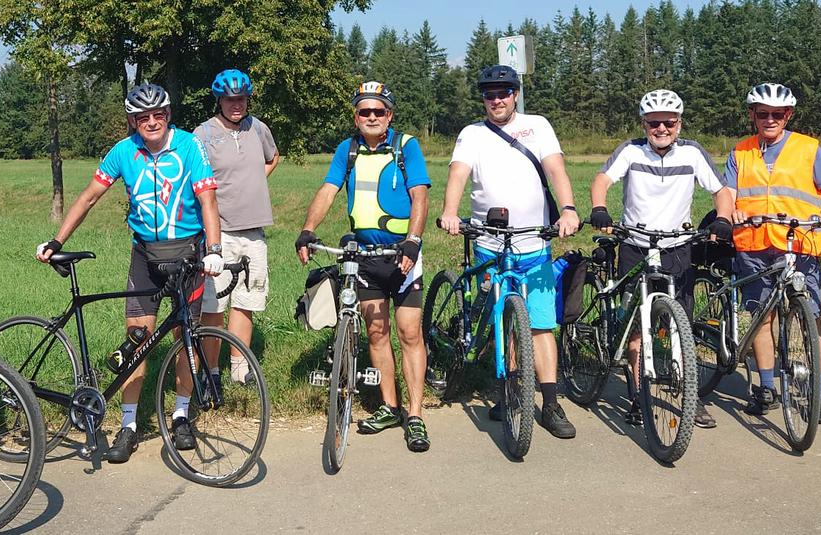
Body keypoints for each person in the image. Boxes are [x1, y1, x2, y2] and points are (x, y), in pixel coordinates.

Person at [34, 83, 223, 464]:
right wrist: (57, 240)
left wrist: (215, 250)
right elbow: (89, 196)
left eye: (158, 115)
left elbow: (207, 199)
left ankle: (181, 416)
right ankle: (129, 424)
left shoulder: (189, 146)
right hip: (145, 256)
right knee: (138, 340)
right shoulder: (124, 151)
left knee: (187, 339)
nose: (151, 122)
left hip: (188, 254)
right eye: (142, 117)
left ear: (168, 115)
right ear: (133, 121)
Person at [437, 65, 582, 439]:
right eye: (490, 94)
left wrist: (568, 209)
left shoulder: (538, 126)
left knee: (541, 324)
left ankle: (550, 404)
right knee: (503, 318)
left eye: (503, 92)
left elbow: (556, 170)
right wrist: (450, 212)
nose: (497, 100)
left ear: (515, 94)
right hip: (489, 242)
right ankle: (511, 389)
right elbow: (458, 174)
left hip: (534, 242)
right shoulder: (472, 134)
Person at [295, 81, 433, 452]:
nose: (371, 117)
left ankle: (415, 415)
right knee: (376, 332)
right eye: (364, 111)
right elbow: (328, 190)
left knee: (409, 333)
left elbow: (420, 195)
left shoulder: (406, 146)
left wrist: (413, 240)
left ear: (389, 115)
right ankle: (390, 406)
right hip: (365, 258)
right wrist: (308, 229)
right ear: (356, 116)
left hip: (402, 256)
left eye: (378, 111)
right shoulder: (348, 149)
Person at [589, 89, 736, 429]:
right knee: (637, 326)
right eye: (654, 123)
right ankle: (638, 395)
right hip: (636, 245)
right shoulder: (631, 150)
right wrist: (599, 207)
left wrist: (723, 218)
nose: (661, 129)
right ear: (644, 124)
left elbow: (720, 191)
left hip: (676, 247)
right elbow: (602, 179)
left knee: (680, 324)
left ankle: (688, 396)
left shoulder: (692, 153)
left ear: (679, 124)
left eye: (669, 123)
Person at [723, 82, 821, 422]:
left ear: (788, 115)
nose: (770, 119)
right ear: (752, 115)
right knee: (762, 317)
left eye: (778, 114)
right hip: (754, 244)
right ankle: (766, 387)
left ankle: (816, 392)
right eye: (763, 114)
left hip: (800, 244)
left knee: (811, 317)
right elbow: (728, 192)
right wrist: (729, 214)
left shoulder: (808, 148)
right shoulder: (740, 152)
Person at [194, 68, 280, 386]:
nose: (236, 105)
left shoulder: (258, 128)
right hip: (220, 232)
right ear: (219, 100)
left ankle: (239, 369)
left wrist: (254, 181)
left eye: (241, 99)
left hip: (254, 231)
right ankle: (211, 372)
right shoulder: (203, 134)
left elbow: (273, 158)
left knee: (246, 302)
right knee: (214, 305)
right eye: (230, 99)